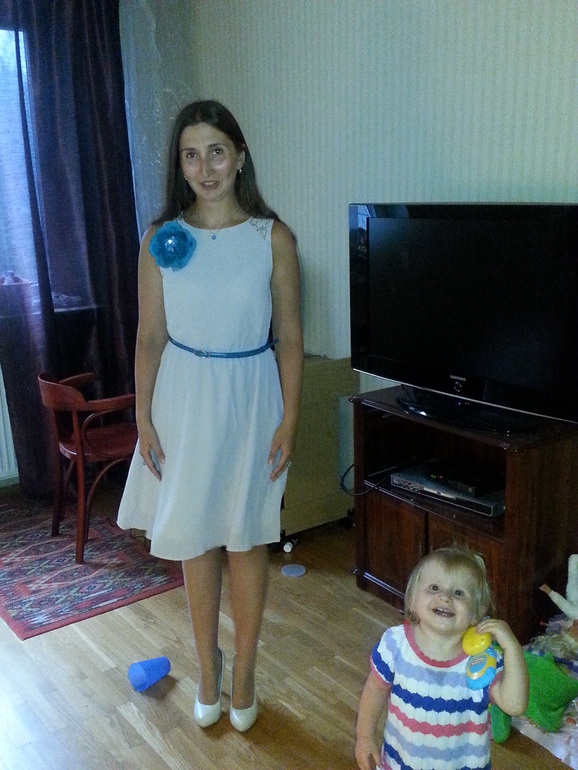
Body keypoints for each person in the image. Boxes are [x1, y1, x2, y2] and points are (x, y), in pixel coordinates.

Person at [117, 100, 303, 733]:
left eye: (216, 152)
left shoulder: (272, 239)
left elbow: (291, 339)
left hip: (252, 397)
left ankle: (244, 669)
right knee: (196, 539)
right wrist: (143, 417)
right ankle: (207, 665)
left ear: (240, 157)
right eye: (191, 155)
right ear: (180, 164)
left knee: (248, 537)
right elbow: (149, 337)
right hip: (184, 399)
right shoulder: (160, 239)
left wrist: (290, 420)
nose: (205, 168)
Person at [355, 544, 529, 770]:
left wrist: (513, 648)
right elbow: (375, 689)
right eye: (434, 587)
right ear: (412, 600)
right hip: (400, 764)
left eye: (459, 593)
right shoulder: (395, 645)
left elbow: (515, 705)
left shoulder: (481, 660)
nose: (445, 597)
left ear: (477, 612)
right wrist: (364, 737)